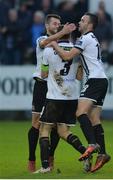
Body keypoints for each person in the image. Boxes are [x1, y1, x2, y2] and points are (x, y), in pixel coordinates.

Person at [49, 12, 111, 172]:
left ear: (89, 25)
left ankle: (92, 144)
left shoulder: (84, 39)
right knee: (94, 118)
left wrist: (54, 43)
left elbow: (67, 56)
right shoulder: (92, 39)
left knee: (80, 112)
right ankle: (102, 153)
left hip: (95, 81)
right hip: (102, 80)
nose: (79, 22)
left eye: (82, 20)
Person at [34, 27, 90, 173]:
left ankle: (45, 166)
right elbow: (79, 77)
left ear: (56, 35)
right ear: (70, 34)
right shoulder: (77, 51)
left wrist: (54, 73)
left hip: (54, 96)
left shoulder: (48, 50)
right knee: (63, 131)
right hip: (71, 97)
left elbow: (44, 74)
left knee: (44, 129)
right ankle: (85, 153)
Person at [27, 14, 62, 172]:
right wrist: (61, 33)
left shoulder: (62, 43)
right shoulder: (41, 39)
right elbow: (44, 43)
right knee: (36, 124)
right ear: (48, 26)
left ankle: (50, 156)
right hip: (41, 86)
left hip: (55, 87)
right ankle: (32, 158)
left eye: (59, 24)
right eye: (55, 23)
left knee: (55, 125)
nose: (57, 26)